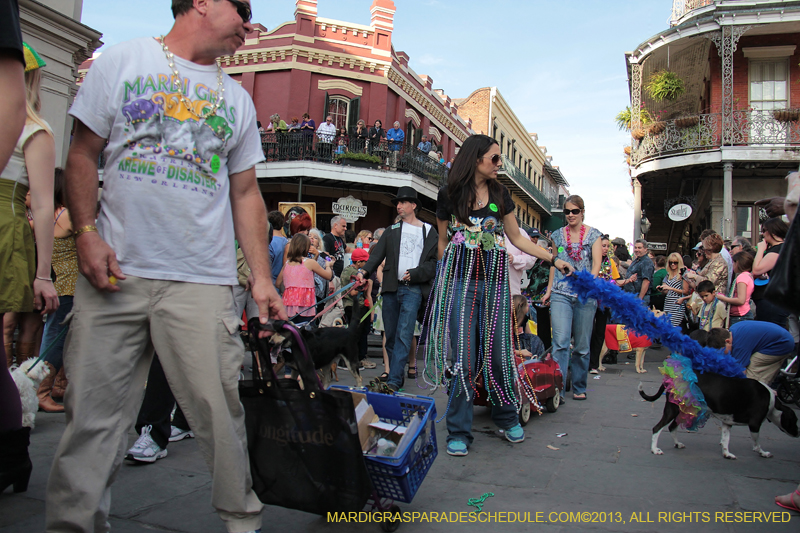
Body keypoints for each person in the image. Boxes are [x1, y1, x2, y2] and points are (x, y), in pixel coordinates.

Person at [45, 2, 287, 531]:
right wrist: (85, 234)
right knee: (91, 420)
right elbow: (83, 153)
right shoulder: (123, 62)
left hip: (202, 280)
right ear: (201, 2)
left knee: (220, 417)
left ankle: (241, 524)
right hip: (114, 273)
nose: (249, 23)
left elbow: (246, 193)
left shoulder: (237, 98)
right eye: (241, 8)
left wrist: (263, 279)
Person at [421, 134, 573, 457]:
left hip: (494, 286)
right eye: (495, 158)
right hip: (462, 285)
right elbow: (442, 242)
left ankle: (506, 417)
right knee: (463, 359)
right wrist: (446, 277)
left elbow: (517, 237)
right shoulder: (449, 195)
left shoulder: (501, 194)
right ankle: (459, 431)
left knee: (500, 354)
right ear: (476, 159)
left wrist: (553, 259)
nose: (499, 164)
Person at [0, 38, 58, 497]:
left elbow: (41, 205)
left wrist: (42, 273)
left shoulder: (32, 130)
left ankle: (13, 453)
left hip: (6, 235)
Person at [357, 186, 438, 391]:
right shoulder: (392, 230)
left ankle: (393, 380)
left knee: (404, 333)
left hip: (413, 289)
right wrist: (363, 273)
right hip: (391, 288)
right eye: (397, 203)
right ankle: (396, 376)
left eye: (402, 203)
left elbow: (432, 264)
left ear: (413, 205)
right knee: (390, 335)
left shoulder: (428, 230)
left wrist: (417, 273)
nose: (399, 206)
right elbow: (375, 256)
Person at [547, 195, 602, 401]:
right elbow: (554, 263)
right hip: (561, 292)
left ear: (582, 212)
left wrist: (588, 284)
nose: (570, 215)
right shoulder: (557, 235)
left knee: (581, 345)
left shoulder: (594, 235)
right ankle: (558, 390)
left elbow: (596, 265)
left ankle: (579, 386)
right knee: (560, 342)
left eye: (575, 211)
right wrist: (549, 289)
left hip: (585, 295)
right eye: (567, 211)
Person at [37, 168, 78, 413]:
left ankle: (48, 388)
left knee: (53, 336)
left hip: (58, 282)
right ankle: (41, 392)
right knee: (56, 341)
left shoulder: (47, 216)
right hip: (69, 285)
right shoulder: (66, 215)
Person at [280, 234, 333, 324]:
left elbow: (278, 283)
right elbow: (328, 276)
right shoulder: (309, 262)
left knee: (292, 333)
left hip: (289, 306)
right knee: (306, 333)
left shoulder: (287, 264)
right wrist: (328, 265)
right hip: (306, 306)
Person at [752, 217, 790, 328]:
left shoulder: (778, 250)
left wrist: (760, 249)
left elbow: (756, 270)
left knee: (771, 334)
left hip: (772, 302)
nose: (762, 234)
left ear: (770, 232)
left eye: (763, 231)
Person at [591, 235, 621, 373]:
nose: (605, 248)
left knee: (600, 332)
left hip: (604, 303)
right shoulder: (590, 260)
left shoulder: (610, 262)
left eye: (607, 246)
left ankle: (594, 364)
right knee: (588, 331)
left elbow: (615, 281)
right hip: (589, 300)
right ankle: (586, 362)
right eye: (603, 245)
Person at [728, 321, 795, 383]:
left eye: (722, 349)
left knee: (749, 379)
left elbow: (741, 371)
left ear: (727, 341)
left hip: (781, 344)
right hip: (778, 338)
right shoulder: (732, 330)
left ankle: (757, 391)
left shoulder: (739, 346)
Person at [341, 247, 374, 368]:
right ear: (359, 262)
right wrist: (366, 285)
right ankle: (359, 358)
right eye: (365, 262)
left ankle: (350, 358)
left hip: (347, 306)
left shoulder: (345, 270)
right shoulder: (355, 274)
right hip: (356, 306)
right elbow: (354, 292)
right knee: (360, 333)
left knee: (352, 332)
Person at [715, 251, 755, 326]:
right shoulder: (748, 276)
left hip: (740, 316)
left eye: (733, 263)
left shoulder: (742, 277)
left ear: (738, 263)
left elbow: (740, 300)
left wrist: (723, 298)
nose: (732, 265)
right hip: (741, 315)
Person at [656, 253, 690, 328]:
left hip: (678, 304)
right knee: (667, 326)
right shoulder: (668, 274)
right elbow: (666, 291)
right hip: (668, 303)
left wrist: (671, 288)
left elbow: (686, 291)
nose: (673, 264)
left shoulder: (683, 274)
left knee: (674, 327)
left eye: (675, 262)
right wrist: (661, 289)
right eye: (671, 262)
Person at [618, 239, 654, 306]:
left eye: (639, 248)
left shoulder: (646, 262)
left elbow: (646, 281)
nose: (637, 250)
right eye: (635, 247)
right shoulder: (637, 260)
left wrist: (640, 299)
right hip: (630, 296)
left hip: (638, 297)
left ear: (645, 249)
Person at [505, 226, 536, 296]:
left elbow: (531, 259)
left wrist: (514, 259)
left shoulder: (520, 233)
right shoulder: (482, 229)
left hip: (512, 291)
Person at [268, 210, 288, 284]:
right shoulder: (287, 242)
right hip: (284, 283)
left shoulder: (269, 243)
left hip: (271, 283)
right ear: (282, 224)